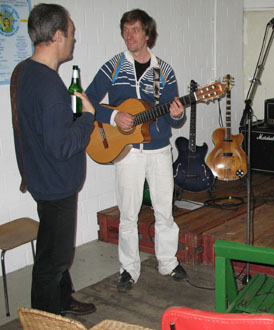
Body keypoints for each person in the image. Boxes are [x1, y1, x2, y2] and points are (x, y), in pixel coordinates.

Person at [86, 9, 187, 293]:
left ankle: (167, 261)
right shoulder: (114, 66)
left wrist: (178, 115)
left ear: (147, 34)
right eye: (125, 30)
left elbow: (172, 116)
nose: (129, 36)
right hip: (127, 152)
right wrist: (114, 116)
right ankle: (128, 269)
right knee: (128, 214)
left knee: (164, 211)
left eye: (134, 30)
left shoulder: (164, 71)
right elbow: (87, 100)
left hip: (159, 150)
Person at [11, 3, 96, 315]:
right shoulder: (47, 85)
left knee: (55, 252)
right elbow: (62, 146)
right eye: (71, 33)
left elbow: (43, 131)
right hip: (55, 185)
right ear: (58, 35)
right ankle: (45, 320)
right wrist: (88, 117)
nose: (74, 39)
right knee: (54, 261)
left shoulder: (27, 71)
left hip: (43, 179)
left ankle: (62, 300)